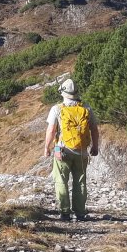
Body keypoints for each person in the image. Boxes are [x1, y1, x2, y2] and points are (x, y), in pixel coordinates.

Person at [43, 78, 99, 221]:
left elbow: (51, 130)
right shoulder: (86, 108)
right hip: (82, 151)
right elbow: (94, 129)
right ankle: (80, 213)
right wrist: (95, 146)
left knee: (61, 180)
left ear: (63, 93)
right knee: (80, 181)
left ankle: (65, 212)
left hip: (62, 150)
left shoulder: (57, 109)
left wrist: (47, 147)